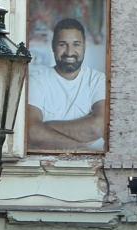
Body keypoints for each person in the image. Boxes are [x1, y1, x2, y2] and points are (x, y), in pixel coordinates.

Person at [26, 18, 107, 151]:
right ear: (53, 47)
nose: (69, 52)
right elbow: (32, 132)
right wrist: (80, 146)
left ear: (84, 46)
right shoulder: (36, 81)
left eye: (76, 44)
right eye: (62, 44)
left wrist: (46, 126)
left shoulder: (97, 80)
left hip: (90, 168)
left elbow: (98, 127)